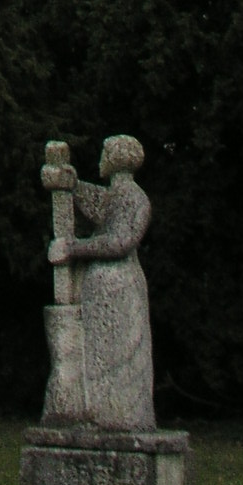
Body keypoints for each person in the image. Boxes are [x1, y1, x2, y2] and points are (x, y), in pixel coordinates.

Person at [46, 134, 156, 430]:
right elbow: (100, 206)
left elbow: (120, 242)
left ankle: (123, 418)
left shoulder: (134, 198)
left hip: (120, 289)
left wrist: (73, 248)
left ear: (116, 159)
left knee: (122, 357)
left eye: (105, 152)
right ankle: (100, 415)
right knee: (100, 357)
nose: (100, 159)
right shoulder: (117, 196)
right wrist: (71, 184)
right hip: (102, 290)